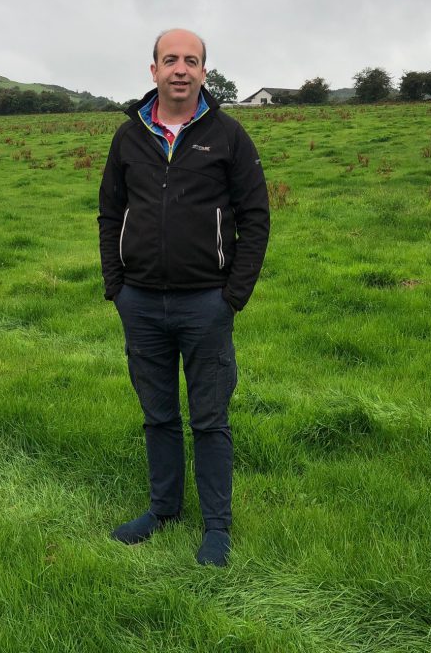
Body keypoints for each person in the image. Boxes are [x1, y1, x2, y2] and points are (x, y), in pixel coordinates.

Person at [98, 28, 270, 567]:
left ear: (203, 72)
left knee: (210, 419)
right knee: (158, 416)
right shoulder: (128, 138)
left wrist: (231, 297)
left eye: (190, 61)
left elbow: (256, 219)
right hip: (141, 303)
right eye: (169, 59)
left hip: (206, 305)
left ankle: (217, 527)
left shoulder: (229, 136)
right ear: (153, 71)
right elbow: (109, 213)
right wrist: (116, 286)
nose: (180, 69)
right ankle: (163, 509)